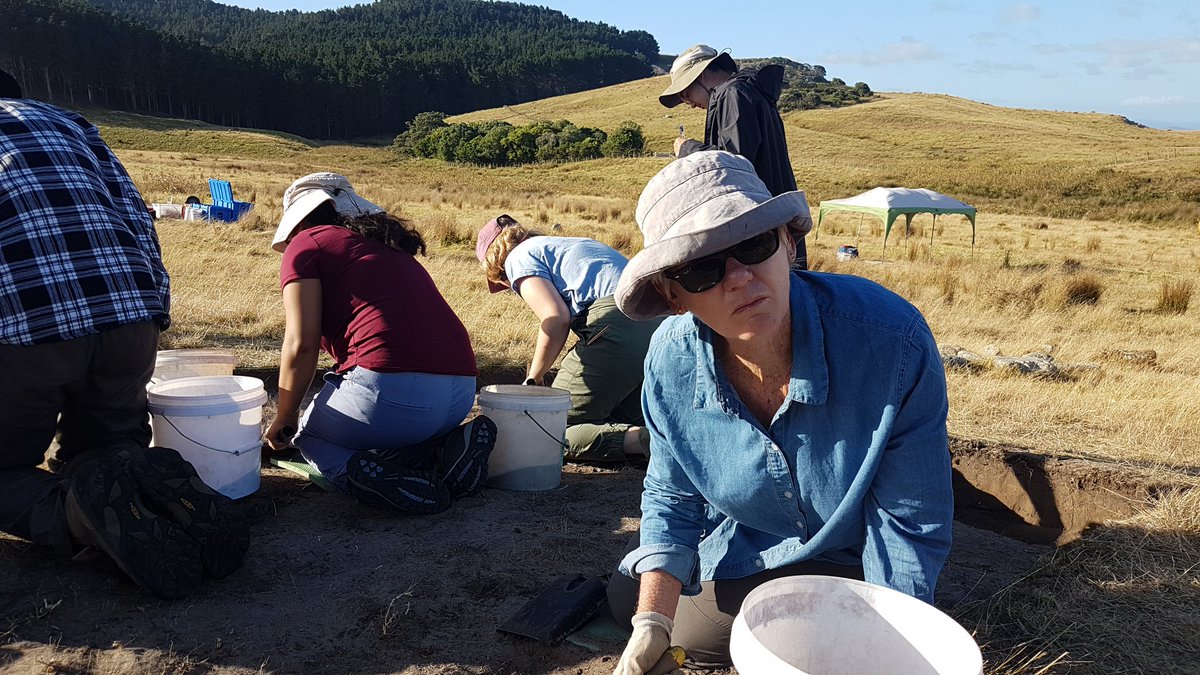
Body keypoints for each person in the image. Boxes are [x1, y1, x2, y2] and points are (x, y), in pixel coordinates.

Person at [607, 151, 953, 671]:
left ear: (788, 243)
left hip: (862, 556)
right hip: (748, 543)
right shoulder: (669, 360)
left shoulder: (892, 341)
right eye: (701, 269)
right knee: (632, 598)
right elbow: (671, 496)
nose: (739, 277)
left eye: (752, 244)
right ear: (672, 295)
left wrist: (889, 646)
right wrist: (651, 621)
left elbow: (908, 522)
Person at [0, 70, 249, 599]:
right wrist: (153, 310)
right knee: (110, 445)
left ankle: (79, 518)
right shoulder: (71, 123)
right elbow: (137, 217)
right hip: (128, 313)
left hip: (28, 327)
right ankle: (156, 495)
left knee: (5, 470)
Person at [263, 173, 495, 514]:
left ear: (298, 221)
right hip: (460, 392)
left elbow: (301, 343)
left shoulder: (306, 243)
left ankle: (364, 479)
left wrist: (285, 417)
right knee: (394, 428)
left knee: (312, 436)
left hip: (392, 395)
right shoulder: (388, 247)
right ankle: (443, 450)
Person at [475, 216, 662, 463]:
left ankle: (656, 443)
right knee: (617, 420)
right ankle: (655, 439)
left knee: (549, 427)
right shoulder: (563, 245)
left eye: (505, 284)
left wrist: (532, 380)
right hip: (657, 328)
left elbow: (555, 318)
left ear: (495, 265)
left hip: (617, 324)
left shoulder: (517, 259)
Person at [660, 44, 807, 269]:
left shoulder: (733, 94)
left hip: (761, 235)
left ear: (701, 74)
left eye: (686, 93)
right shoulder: (749, 93)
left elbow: (733, 167)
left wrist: (687, 150)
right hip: (775, 231)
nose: (688, 103)